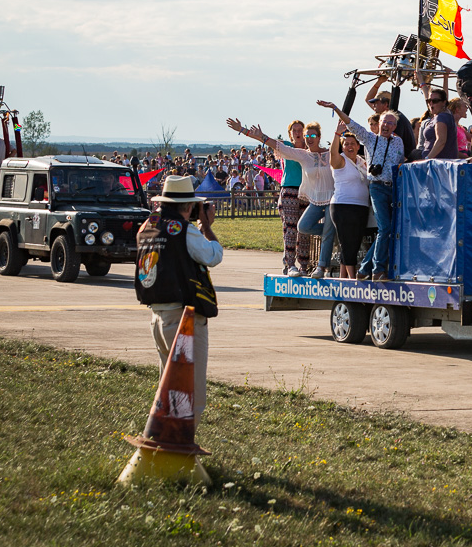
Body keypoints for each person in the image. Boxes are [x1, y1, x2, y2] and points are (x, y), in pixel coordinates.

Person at [133, 175, 222, 426]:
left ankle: (163, 438)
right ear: (188, 206)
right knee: (190, 389)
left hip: (157, 316)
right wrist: (207, 227)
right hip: (182, 319)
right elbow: (213, 255)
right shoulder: (185, 230)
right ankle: (181, 447)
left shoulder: (148, 225)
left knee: (168, 386)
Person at [231, 117, 336, 278]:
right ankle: (290, 264)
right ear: (290, 134)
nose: (299, 133)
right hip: (290, 190)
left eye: (301, 130)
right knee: (291, 229)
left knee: (304, 232)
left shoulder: (312, 152)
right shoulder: (288, 148)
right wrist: (243, 130)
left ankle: (304, 265)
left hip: (308, 193)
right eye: (295, 131)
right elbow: (269, 142)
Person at [317, 100, 404, 281]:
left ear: (395, 126)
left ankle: (364, 269)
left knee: (390, 230)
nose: (386, 125)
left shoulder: (398, 142)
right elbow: (351, 124)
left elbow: (400, 162)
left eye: (390, 123)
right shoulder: (370, 139)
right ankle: (377, 270)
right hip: (377, 188)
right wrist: (336, 108)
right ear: (378, 124)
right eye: (383, 122)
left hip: (393, 188)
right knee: (385, 228)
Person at [328, 122, 371, 278]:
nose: (349, 146)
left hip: (361, 207)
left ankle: (342, 278)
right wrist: (337, 134)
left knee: (354, 241)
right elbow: (332, 153)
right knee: (347, 243)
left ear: (358, 146)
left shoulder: (362, 162)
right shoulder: (340, 160)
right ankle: (353, 280)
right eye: (346, 144)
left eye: (353, 143)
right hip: (342, 206)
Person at [363, 82, 417, 160]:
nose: (373, 106)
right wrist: (379, 81)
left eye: (376, 103)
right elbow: (368, 99)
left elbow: (394, 144)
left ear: (386, 105)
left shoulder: (395, 120)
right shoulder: (392, 116)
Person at [413, 74, 459, 160]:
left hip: (436, 164)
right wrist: (421, 79)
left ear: (444, 102)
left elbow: (441, 141)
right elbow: (429, 95)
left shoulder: (441, 117)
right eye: (429, 101)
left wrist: (427, 159)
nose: (431, 104)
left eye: (435, 101)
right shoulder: (444, 115)